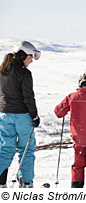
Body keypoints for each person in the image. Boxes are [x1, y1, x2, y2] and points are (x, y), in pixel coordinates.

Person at [0, 41, 41, 188]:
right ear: (23, 54)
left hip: (4, 115)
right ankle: (26, 182)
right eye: (30, 57)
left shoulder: (2, 70)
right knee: (26, 149)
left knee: (5, 148)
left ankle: (0, 183)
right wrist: (34, 116)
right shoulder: (24, 73)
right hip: (22, 116)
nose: (31, 60)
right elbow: (28, 97)